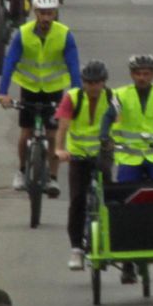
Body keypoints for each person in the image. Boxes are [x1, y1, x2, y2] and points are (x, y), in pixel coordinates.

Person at [100, 53, 153, 284]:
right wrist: (104, 138)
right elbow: (108, 118)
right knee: (123, 199)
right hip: (129, 158)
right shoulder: (120, 95)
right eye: (138, 73)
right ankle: (127, 264)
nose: (142, 77)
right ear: (131, 75)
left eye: (146, 73)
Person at [0, 0, 81, 192]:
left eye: (50, 13)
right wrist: (3, 92)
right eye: (42, 13)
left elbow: (73, 65)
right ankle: (21, 170)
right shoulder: (24, 33)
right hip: (29, 88)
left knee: (53, 135)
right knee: (26, 133)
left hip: (54, 90)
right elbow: (10, 62)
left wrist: (77, 95)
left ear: (55, 14)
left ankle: (52, 178)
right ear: (35, 13)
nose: (46, 18)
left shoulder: (64, 34)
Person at [52, 59, 116, 271]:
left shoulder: (112, 98)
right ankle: (77, 249)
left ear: (104, 82)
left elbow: (122, 123)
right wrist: (60, 150)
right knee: (77, 199)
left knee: (110, 197)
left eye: (97, 82)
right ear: (83, 83)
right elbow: (62, 127)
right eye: (89, 82)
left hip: (103, 153)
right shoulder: (73, 97)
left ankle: (113, 240)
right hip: (77, 155)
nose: (93, 87)